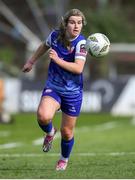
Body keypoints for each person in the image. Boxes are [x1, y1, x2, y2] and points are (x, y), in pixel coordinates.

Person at [22, 8, 87, 171]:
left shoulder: (81, 43)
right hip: (54, 87)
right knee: (43, 117)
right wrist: (31, 61)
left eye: (79, 23)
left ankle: (63, 159)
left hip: (73, 93)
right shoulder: (55, 35)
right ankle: (50, 133)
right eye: (72, 22)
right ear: (65, 24)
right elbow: (43, 46)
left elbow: (78, 68)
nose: (76, 26)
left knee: (66, 132)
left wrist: (57, 60)